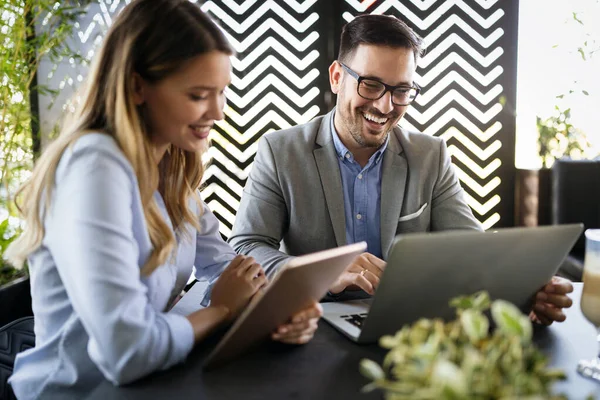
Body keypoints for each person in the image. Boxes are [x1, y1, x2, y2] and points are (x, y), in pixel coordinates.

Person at [4, 1, 321, 398]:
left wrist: (275, 308)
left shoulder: (172, 166)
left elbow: (226, 268)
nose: (218, 112)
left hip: (148, 385)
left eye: (221, 93)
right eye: (198, 95)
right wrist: (222, 310)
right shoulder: (95, 169)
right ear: (137, 86)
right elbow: (127, 350)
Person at [228, 14, 573, 326]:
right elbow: (246, 245)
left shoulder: (430, 155)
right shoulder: (280, 151)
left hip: (412, 328)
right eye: (371, 84)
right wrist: (321, 274)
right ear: (337, 78)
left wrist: (526, 290)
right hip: (309, 325)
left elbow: (471, 250)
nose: (385, 105)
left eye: (401, 90)